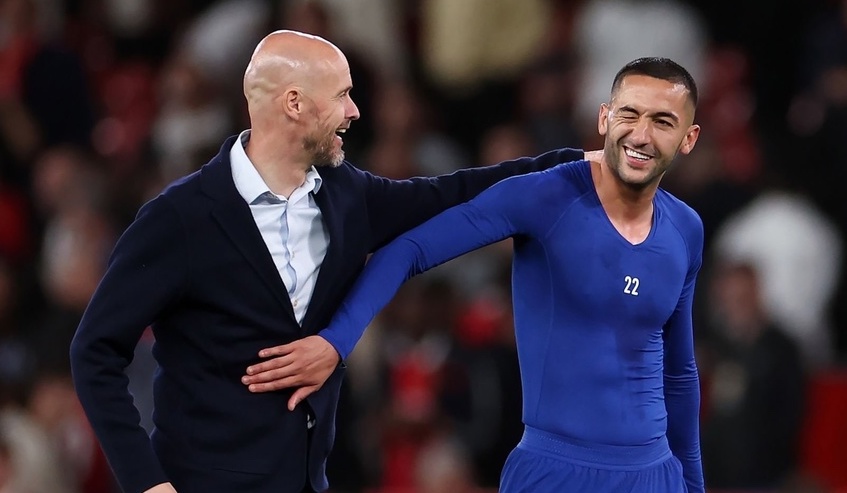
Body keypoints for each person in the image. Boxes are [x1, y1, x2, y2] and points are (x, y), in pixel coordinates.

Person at [68, 30, 591, 493]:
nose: (354, 111)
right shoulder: (179, 219)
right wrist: (146, 482)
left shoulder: (346, 195)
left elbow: (451, 193)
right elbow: (94, 352)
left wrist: (573, 166)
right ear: (294, 103)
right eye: (342, 95)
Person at [245, 57, 705, 492]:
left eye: (662, 122)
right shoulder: (547, 196)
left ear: (688, 138)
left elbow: (680, 374)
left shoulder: (686, 229)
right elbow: (410, 249)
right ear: (604, 118)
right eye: (629, 114)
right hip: (554, 472)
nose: (641, 135)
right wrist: (335, 342)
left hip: (656, 475)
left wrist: (692, 485)